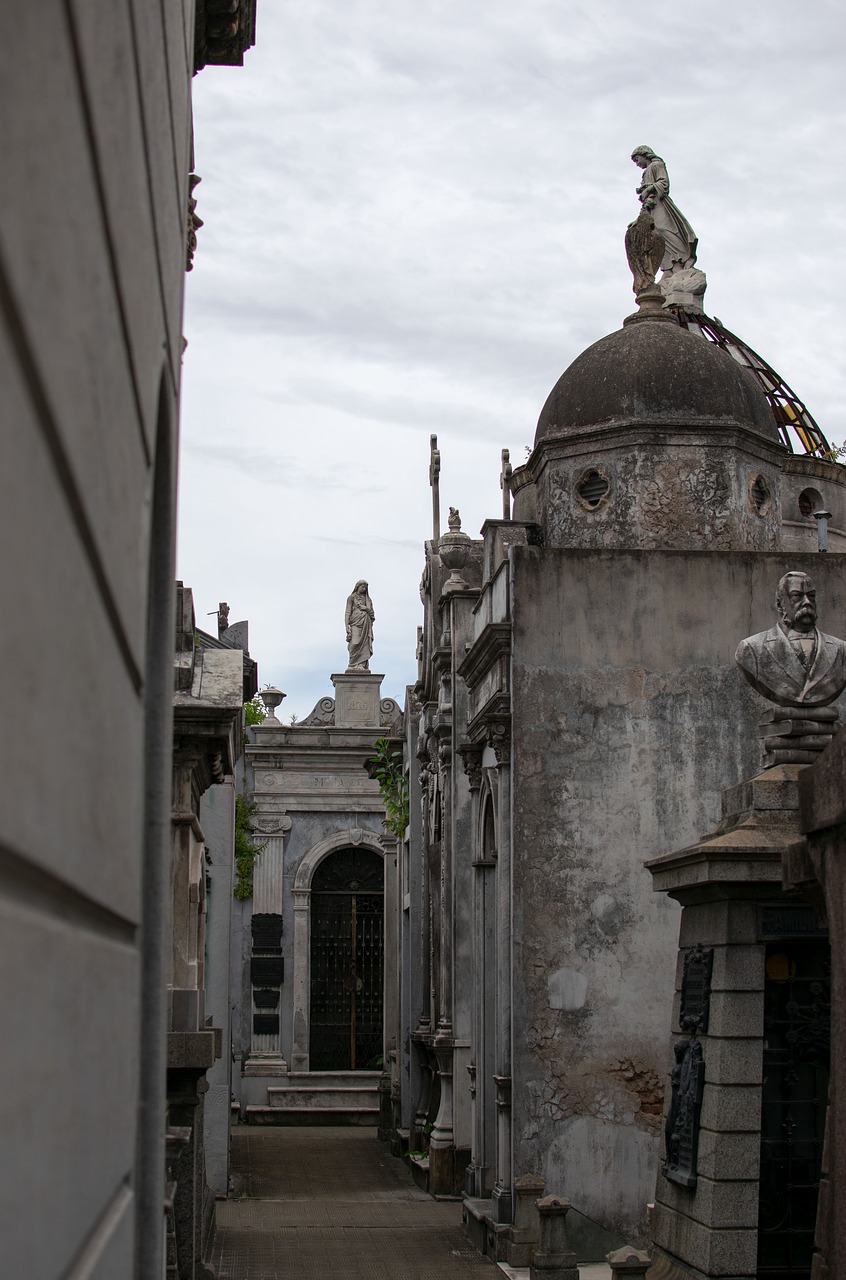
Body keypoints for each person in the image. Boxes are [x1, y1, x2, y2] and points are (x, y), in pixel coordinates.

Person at [735, 572, 846, 707]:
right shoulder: (751, 649)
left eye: (811, 596)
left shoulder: (841, 650)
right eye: (797, 596)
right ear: (780, 604)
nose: (807, 602)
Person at [631, 146, 697, 274]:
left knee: (665, 230)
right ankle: (671, 268)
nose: (637, 164)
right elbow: (646, 201)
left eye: (637, 159)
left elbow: (664, 183)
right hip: (651, 207)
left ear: (644, 155)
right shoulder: (646, 172)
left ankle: (682, 260)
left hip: (660, 204)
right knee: (656, 236)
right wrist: (639, 220)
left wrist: (648, 189)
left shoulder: (656, 165)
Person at [345, 581, 375, 671]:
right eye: (363, 587)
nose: (364, 589)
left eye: (366, 587)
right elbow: (347, 612)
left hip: (366, 624)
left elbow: (372, 614)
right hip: (355, 623)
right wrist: (346, 625)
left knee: (364, 644)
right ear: (357, 586)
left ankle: (361, 664)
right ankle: (353, 664)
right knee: (354, 643)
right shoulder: (351, 598)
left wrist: (365, 608)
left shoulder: (368, 600)